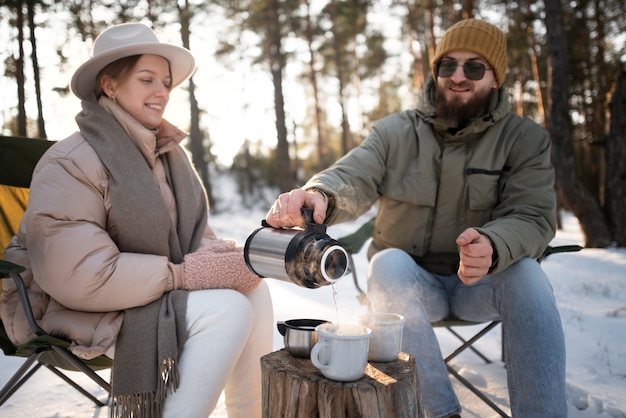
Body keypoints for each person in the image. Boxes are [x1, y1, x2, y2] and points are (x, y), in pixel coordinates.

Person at [266, 18, 566, 418]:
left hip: (481, 284)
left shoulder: (524, 139)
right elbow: (353, 175)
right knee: (387, 261)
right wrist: (320, 194)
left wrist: (496, 244)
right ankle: (439, 413)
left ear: (495, 79)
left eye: (473, 67)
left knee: (528, 273)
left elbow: (533, 215)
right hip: (410, 289)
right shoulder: (395, 133)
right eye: (447, 66)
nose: (458, 77)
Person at [0, 23, 273, 418]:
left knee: (253, 291)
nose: (162, 92)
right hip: (68, 305)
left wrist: (232, 261)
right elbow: (80, 276)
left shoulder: (168, 157)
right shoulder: (70, 162)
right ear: (109, 85)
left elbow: (198, 241)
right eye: (147, 79)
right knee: (227, 310)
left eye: (165, 82)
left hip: (143, 291)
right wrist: (183, 275)